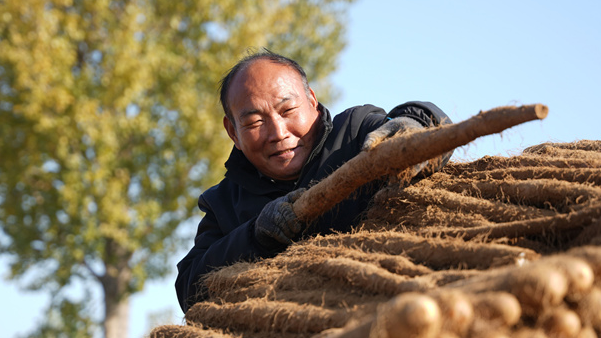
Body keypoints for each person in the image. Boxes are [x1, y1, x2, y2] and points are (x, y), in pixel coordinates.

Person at [175, 49, 451, 312]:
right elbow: (190, 290)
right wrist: (255, 236)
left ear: (311, 100)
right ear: (232, 131)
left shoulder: (355, 132)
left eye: (287, 110)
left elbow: (417, 120)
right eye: (255, 122)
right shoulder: (223, 203)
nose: (278, 133)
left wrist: (416, 126)